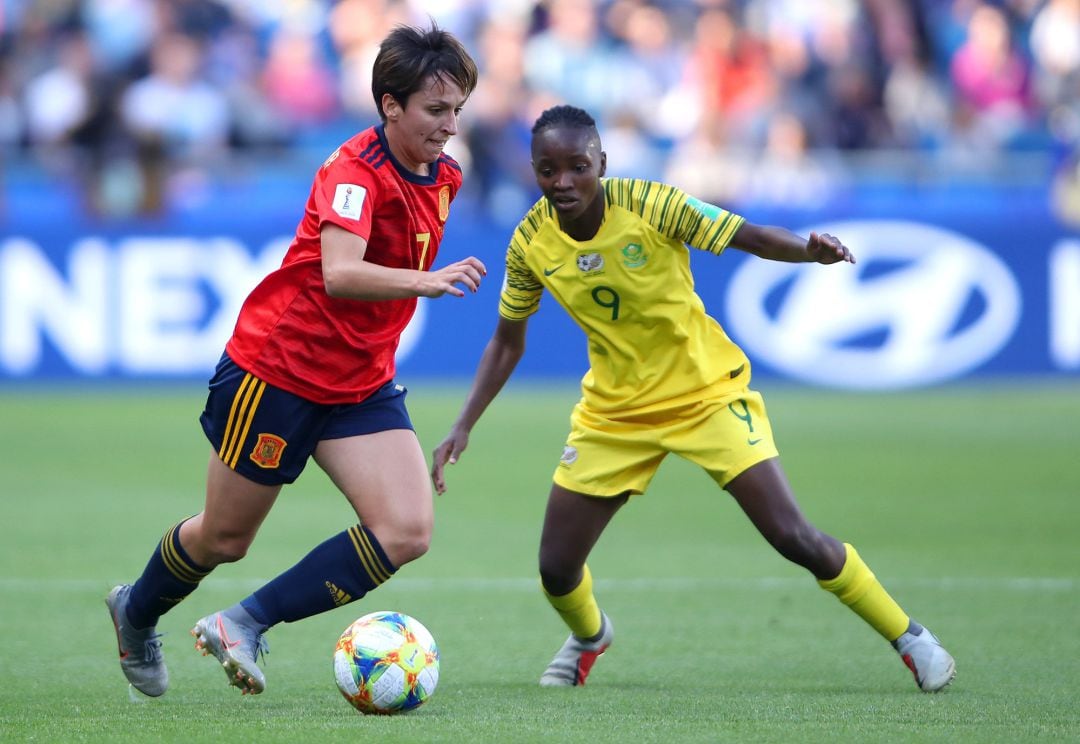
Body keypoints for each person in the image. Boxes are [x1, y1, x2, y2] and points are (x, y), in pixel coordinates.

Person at [431, 104, 956, 693]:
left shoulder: (651, 204)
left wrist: (807, 250)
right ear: (533, 170)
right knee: (555, 569)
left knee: (792, 536)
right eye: (547, 170)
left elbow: (747, 235)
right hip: (615, 412)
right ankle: (589, 635)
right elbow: (507, 341)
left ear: (601, 162)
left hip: (705, 393)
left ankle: (910, 637)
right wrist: (464, 423)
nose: (563, 182)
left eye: (578, 167)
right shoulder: (529, 240)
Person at [106, 23, 484, 697]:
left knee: (406, 529)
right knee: (224, 538)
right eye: (436, 110)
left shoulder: (445, 174)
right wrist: (423, 281)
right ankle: (135, 613)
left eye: (456, 109)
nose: (450, 125)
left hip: (360, 380)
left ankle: (244, 624)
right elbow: (340, 272)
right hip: (278, 371)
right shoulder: (352, 172)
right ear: (390, 105)